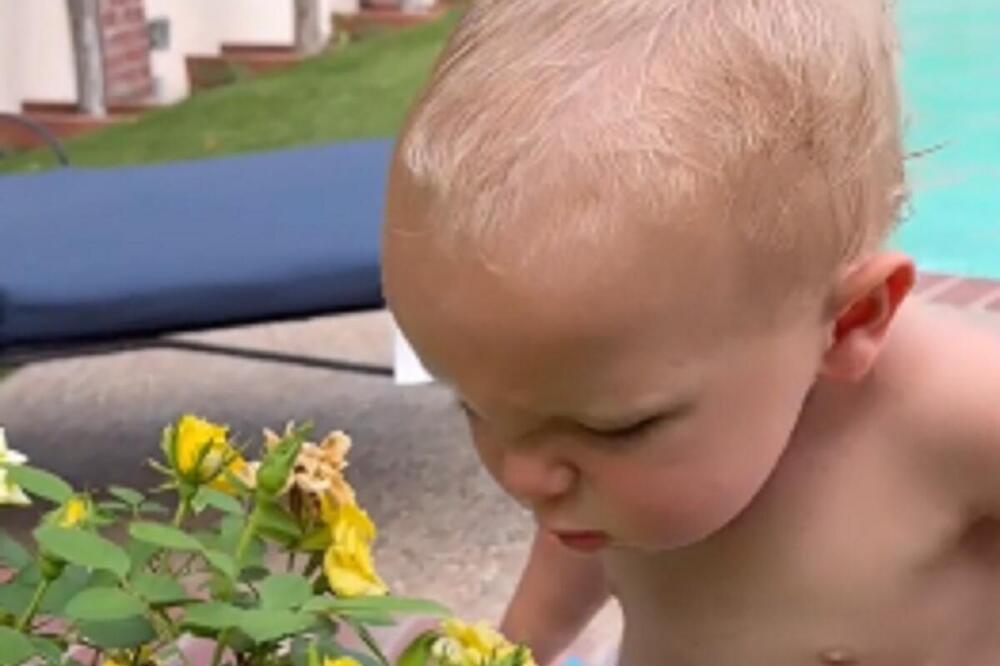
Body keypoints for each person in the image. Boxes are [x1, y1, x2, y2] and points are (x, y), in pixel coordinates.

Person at [381, 1, 1000, 663]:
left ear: (849, 322)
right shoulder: (601, 481)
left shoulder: (961, 418)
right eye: (475, 408)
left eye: (613, 427)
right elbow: (575, 542)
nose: (527, 476)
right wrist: (515, 648)